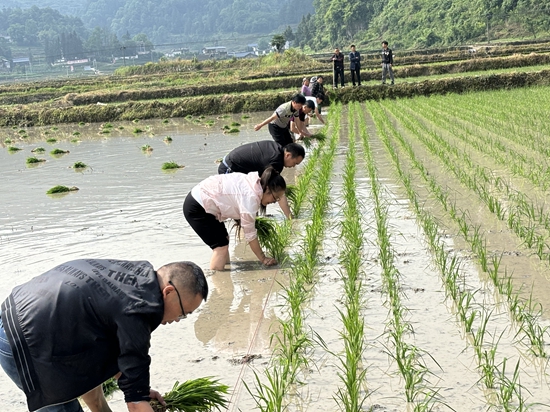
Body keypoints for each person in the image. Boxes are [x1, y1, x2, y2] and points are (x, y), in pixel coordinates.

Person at [0, 258, 208, 412]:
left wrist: (139, 389)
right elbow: (136, 405)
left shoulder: (136, 276)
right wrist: (138, 397)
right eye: (183, 313)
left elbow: (115, 355)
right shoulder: (141, 309)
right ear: (169, 292)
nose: (177, 320)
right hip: (24, 341)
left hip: (21, 313)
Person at [183, 167, 286, 270]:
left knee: (224, 239)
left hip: (203, 199)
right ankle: (217, 278)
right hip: (198, 207)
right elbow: (250, 235)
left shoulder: (253, 183)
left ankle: (225, 271)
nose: (274, 201)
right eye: (275, 197)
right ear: (267, 189)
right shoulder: (250, 199)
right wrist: (263, 258)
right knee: (220, 247)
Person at [218, 141, 305, 219]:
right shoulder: (276, 161)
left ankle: (252, 223)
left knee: (251, 197)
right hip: (230, 169)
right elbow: (276, 191)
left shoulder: (277, 149)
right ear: (288, 155)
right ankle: (245, 230)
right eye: (295, 163)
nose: (294, 166)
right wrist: (290, 218)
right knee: (244, 206)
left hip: (233, 165)